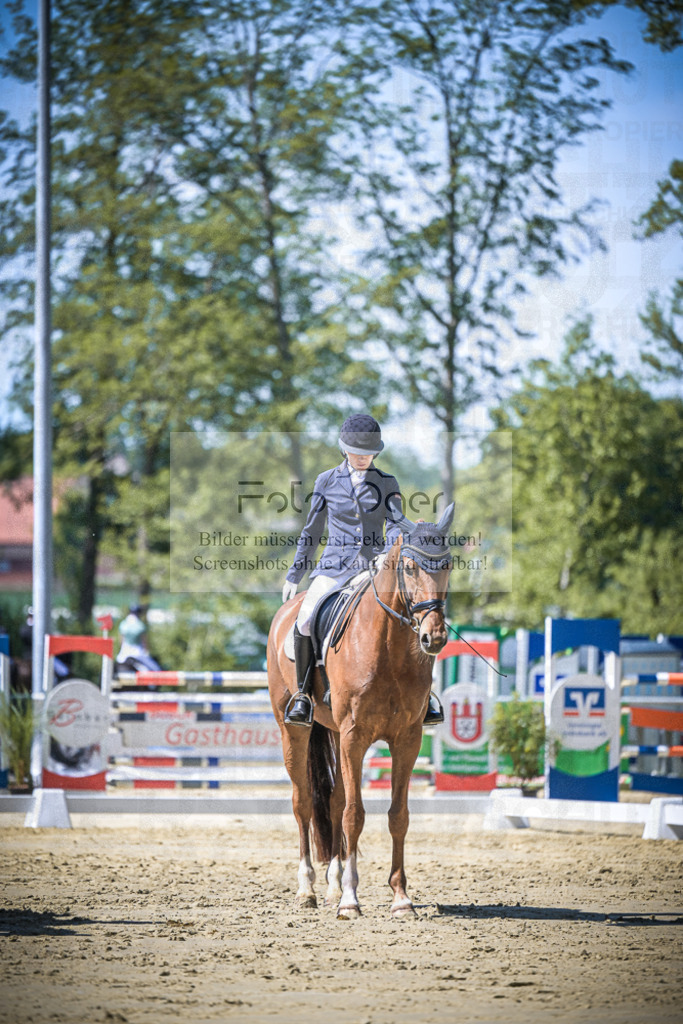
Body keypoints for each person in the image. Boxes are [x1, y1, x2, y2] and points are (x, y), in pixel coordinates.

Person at [281, 413, 444, 727]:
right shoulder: (326, 481)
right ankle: (302, 695)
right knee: (304, 617)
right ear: (344, 450)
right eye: (357, 453)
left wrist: (388, 553)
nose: (363, 459)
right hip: (333, 567)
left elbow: (396, 523)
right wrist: (295, 573)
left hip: (373, 566)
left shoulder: (387, 483)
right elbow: (312, 531)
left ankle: (426, 694)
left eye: (369, 454)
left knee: (416, 615)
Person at [115, 605, 162, 674]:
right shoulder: (141, 625)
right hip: (137, 653)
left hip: (123, 653)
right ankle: (152, 684)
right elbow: (145, 642)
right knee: (156, 670)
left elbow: (121, 641)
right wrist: (146, 652)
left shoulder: (123, 624)